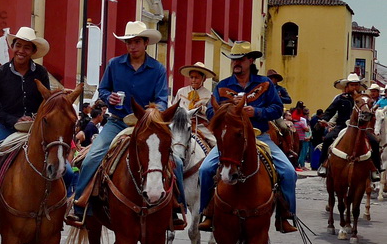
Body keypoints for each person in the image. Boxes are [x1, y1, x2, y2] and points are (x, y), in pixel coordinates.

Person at [68, 20, 179, 228]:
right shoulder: (114, 64)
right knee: (92, 156)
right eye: (129, 42)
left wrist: (152, 111)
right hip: (117, 122)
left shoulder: (158, 69)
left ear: (146, 43)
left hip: (146, 125)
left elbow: (163, 98)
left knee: (176, 162)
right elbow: (103, 89)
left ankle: (176, 206)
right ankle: (80, 204)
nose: (132, 46)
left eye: (136, 42)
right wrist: (109, 98)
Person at [196, 43, 297, 232]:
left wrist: (256, 112)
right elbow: (211, 111)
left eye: (241, 59)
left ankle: (285, 215)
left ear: (251, 60)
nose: (236, 63)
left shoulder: (265, 83)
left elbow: (276, 108)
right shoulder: (223, 86)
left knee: (289, 172)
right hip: (230, 141)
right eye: (234, 59)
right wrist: (226, 112)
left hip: (260, 137)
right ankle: (207, 213)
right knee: (205, 170)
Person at [0, 26, 52, 160]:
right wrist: (14, 120)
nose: (21, 51)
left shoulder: (41, 73)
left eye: (26, 47)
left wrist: (35, 118)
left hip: (36, 129)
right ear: (12, 47)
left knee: (66, 170)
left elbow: (46, 102)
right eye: (18, 45)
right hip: (7, 129)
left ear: (33, 51)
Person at [318, 73, 378, 176]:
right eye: (352, 85)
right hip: (342, 126)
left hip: (360, 128)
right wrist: (324, 119)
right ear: (347, 86)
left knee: (374, 142)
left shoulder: (364, 99)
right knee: (328, 139)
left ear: (359, 86)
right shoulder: (341, 98)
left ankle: (375, 169)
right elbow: (330, 111)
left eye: (356, 85)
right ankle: (323, 164)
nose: (354, 87)